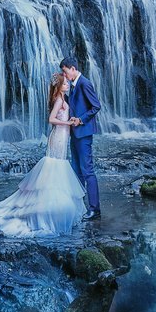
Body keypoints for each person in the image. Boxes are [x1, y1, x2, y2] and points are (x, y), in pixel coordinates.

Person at [0, 72, 85, 236]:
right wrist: (67, 123)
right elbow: (51, 119)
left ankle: (54, 208)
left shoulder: (63, 99)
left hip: (63, 136)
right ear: (58, 87)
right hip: (58, 136)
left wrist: (71, 122)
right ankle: (46, 210)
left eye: (67, 82)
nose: (67, 84)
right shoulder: (59, 100)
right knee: (56, 166)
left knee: (59, 166)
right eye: (64, 83)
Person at [59, 55, 101, 220]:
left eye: (65, 72)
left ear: (73, 69)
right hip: (74, 134)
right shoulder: (74, 85)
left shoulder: (84, 83)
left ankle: (94, 209)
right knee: (77, 171)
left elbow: (96, 105)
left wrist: (81, 119)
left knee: (88, 171)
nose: (65, 76)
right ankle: (79, 206)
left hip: (83, 134)